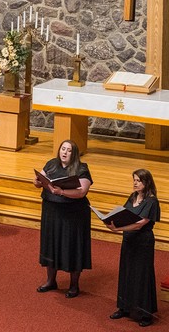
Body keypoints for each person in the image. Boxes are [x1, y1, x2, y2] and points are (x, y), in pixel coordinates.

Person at [33, 139, 93, 298]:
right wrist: (38, 182)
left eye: (68, 150)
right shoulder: (52, 164)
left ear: (74, 154)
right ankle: (51, 280)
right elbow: (38, 180)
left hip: (73, 215)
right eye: (63, 149)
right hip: (51, 212)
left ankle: (74, 285)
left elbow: (82, 192)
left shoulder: (81, 168)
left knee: (72, 246)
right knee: (51, 244)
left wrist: (61, 192)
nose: (64, 152)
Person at [107, 169, 161, 327]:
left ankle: (145, 313)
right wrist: (112, 221)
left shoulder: (151, 201)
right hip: (129, 241)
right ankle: (124, 307)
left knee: (142, 276)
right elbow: (123, 214)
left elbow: (139, 224)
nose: (135, 183)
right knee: (126, 272)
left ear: (147, 182)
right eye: (134, 180)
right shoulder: (132, 197)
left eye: (138, 180)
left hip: (142, 242)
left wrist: (118, 229)